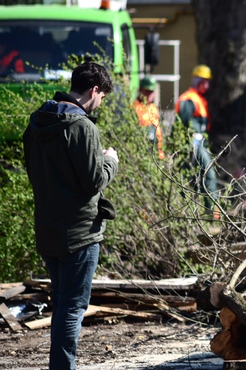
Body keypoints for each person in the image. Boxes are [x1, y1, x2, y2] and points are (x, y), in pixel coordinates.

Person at [23, 61, 117, 370]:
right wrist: (110, 161)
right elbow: (93, 181)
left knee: (63, 304)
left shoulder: (37, 123)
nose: (100, 102)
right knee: (72, 308)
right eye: (102, 96)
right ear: (93, 91)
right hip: (79, 232)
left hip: (46, 229)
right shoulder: (82, 126)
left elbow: (37, 172)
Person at [175, 64, 218, 215]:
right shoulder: (189, 99)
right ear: (196, 81)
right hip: (193, 144)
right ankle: (212, 214)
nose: (207, 85)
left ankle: (205, 213)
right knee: (208, 175)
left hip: (200, 144)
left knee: (193, 178)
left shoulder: (200, 99)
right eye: (204, 81)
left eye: (208, 82)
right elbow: (181, 124)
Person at [134, 76, 165, 160]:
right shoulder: (134, 107)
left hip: (157, 153)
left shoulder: (153, 108)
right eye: (146, 91)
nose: (149, 94)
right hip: (143, 153)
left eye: (151, 92)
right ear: (140, 90)